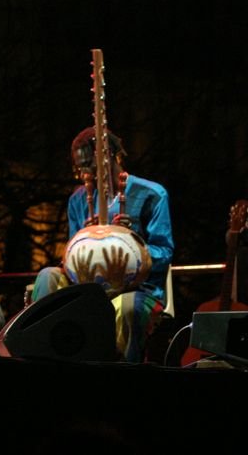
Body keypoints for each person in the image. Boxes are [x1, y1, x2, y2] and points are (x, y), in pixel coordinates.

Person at [31, 128, 173, 363]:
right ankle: (45, 359)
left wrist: (130, 241)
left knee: (128, 307)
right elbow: (70, 256)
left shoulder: (152, 194)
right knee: (48, 276)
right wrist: (83, 241)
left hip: (136, 288)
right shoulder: (78, 199)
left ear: (111, 156)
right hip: (87, 286)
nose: (85, 175)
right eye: (80, 169)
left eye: (90, 166)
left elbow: (164, 252)